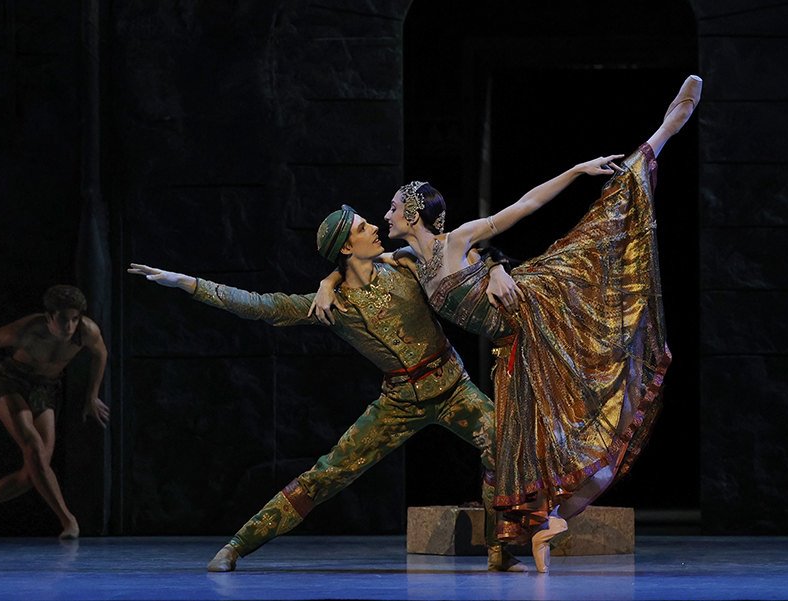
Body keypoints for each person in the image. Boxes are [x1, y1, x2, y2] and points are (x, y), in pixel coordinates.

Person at [314, 75, 701, 572]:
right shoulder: (407, 259)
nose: (384, 215)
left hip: (539, 304)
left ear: (412, 213)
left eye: (391, 208)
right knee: (525, 442)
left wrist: (576, 171)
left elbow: (524, 205)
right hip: (513, 346)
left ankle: (659, 137)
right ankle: (546, 525)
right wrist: (327, 284)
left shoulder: (458, 241)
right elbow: (355, 264)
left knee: (596, 241)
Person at [127, 206, 528, 572]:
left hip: (452, 386)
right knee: (326, 475)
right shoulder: (332, 305)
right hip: (400, 403)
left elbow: (467, 252)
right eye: (362, 227)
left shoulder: (405, 265)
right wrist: (188, 283)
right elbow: (260, 305)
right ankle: (237, 545)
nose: (374, 227)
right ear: (347, 246)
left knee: (503, 444)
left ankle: (499, 550)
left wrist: (496, 268)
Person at [0, 285, 110, 539]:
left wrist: (92, 396)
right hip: (11, 382)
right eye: (63, 319)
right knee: (34, 449)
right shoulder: (27, 330)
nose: (69, 327)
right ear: (48, 316)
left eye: (75, 319)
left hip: (44, 388)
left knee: (35, 470)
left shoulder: (87, 332)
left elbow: (101, 353)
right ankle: (68, 520)